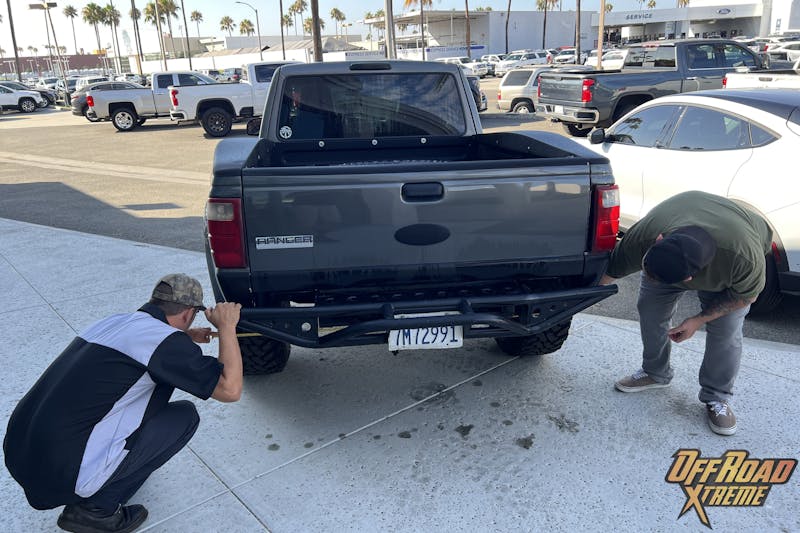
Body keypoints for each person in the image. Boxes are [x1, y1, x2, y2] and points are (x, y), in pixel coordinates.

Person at [4, 274, 243, 533]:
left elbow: (149, 346)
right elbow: (230, 389)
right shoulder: (166, 343)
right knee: (184, 417)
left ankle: (98, 484)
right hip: (64, 472)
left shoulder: (113, 322)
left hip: (21, 454)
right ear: (188, 314)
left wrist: (185, 337)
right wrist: (228, 329)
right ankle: (97, 512)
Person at [600, 191, 772, 436]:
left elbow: (748, 296)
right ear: (658, 240)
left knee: (725, 331)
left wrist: (697, 320)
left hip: (733, 257)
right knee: (649, 307)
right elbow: (608, 275)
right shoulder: (646, 234)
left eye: (654, 276)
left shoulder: (743, 258)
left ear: (689, 280)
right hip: (684, 225)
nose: (648, 278)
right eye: (647, 269)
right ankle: (655, 372)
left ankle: (717, 398)